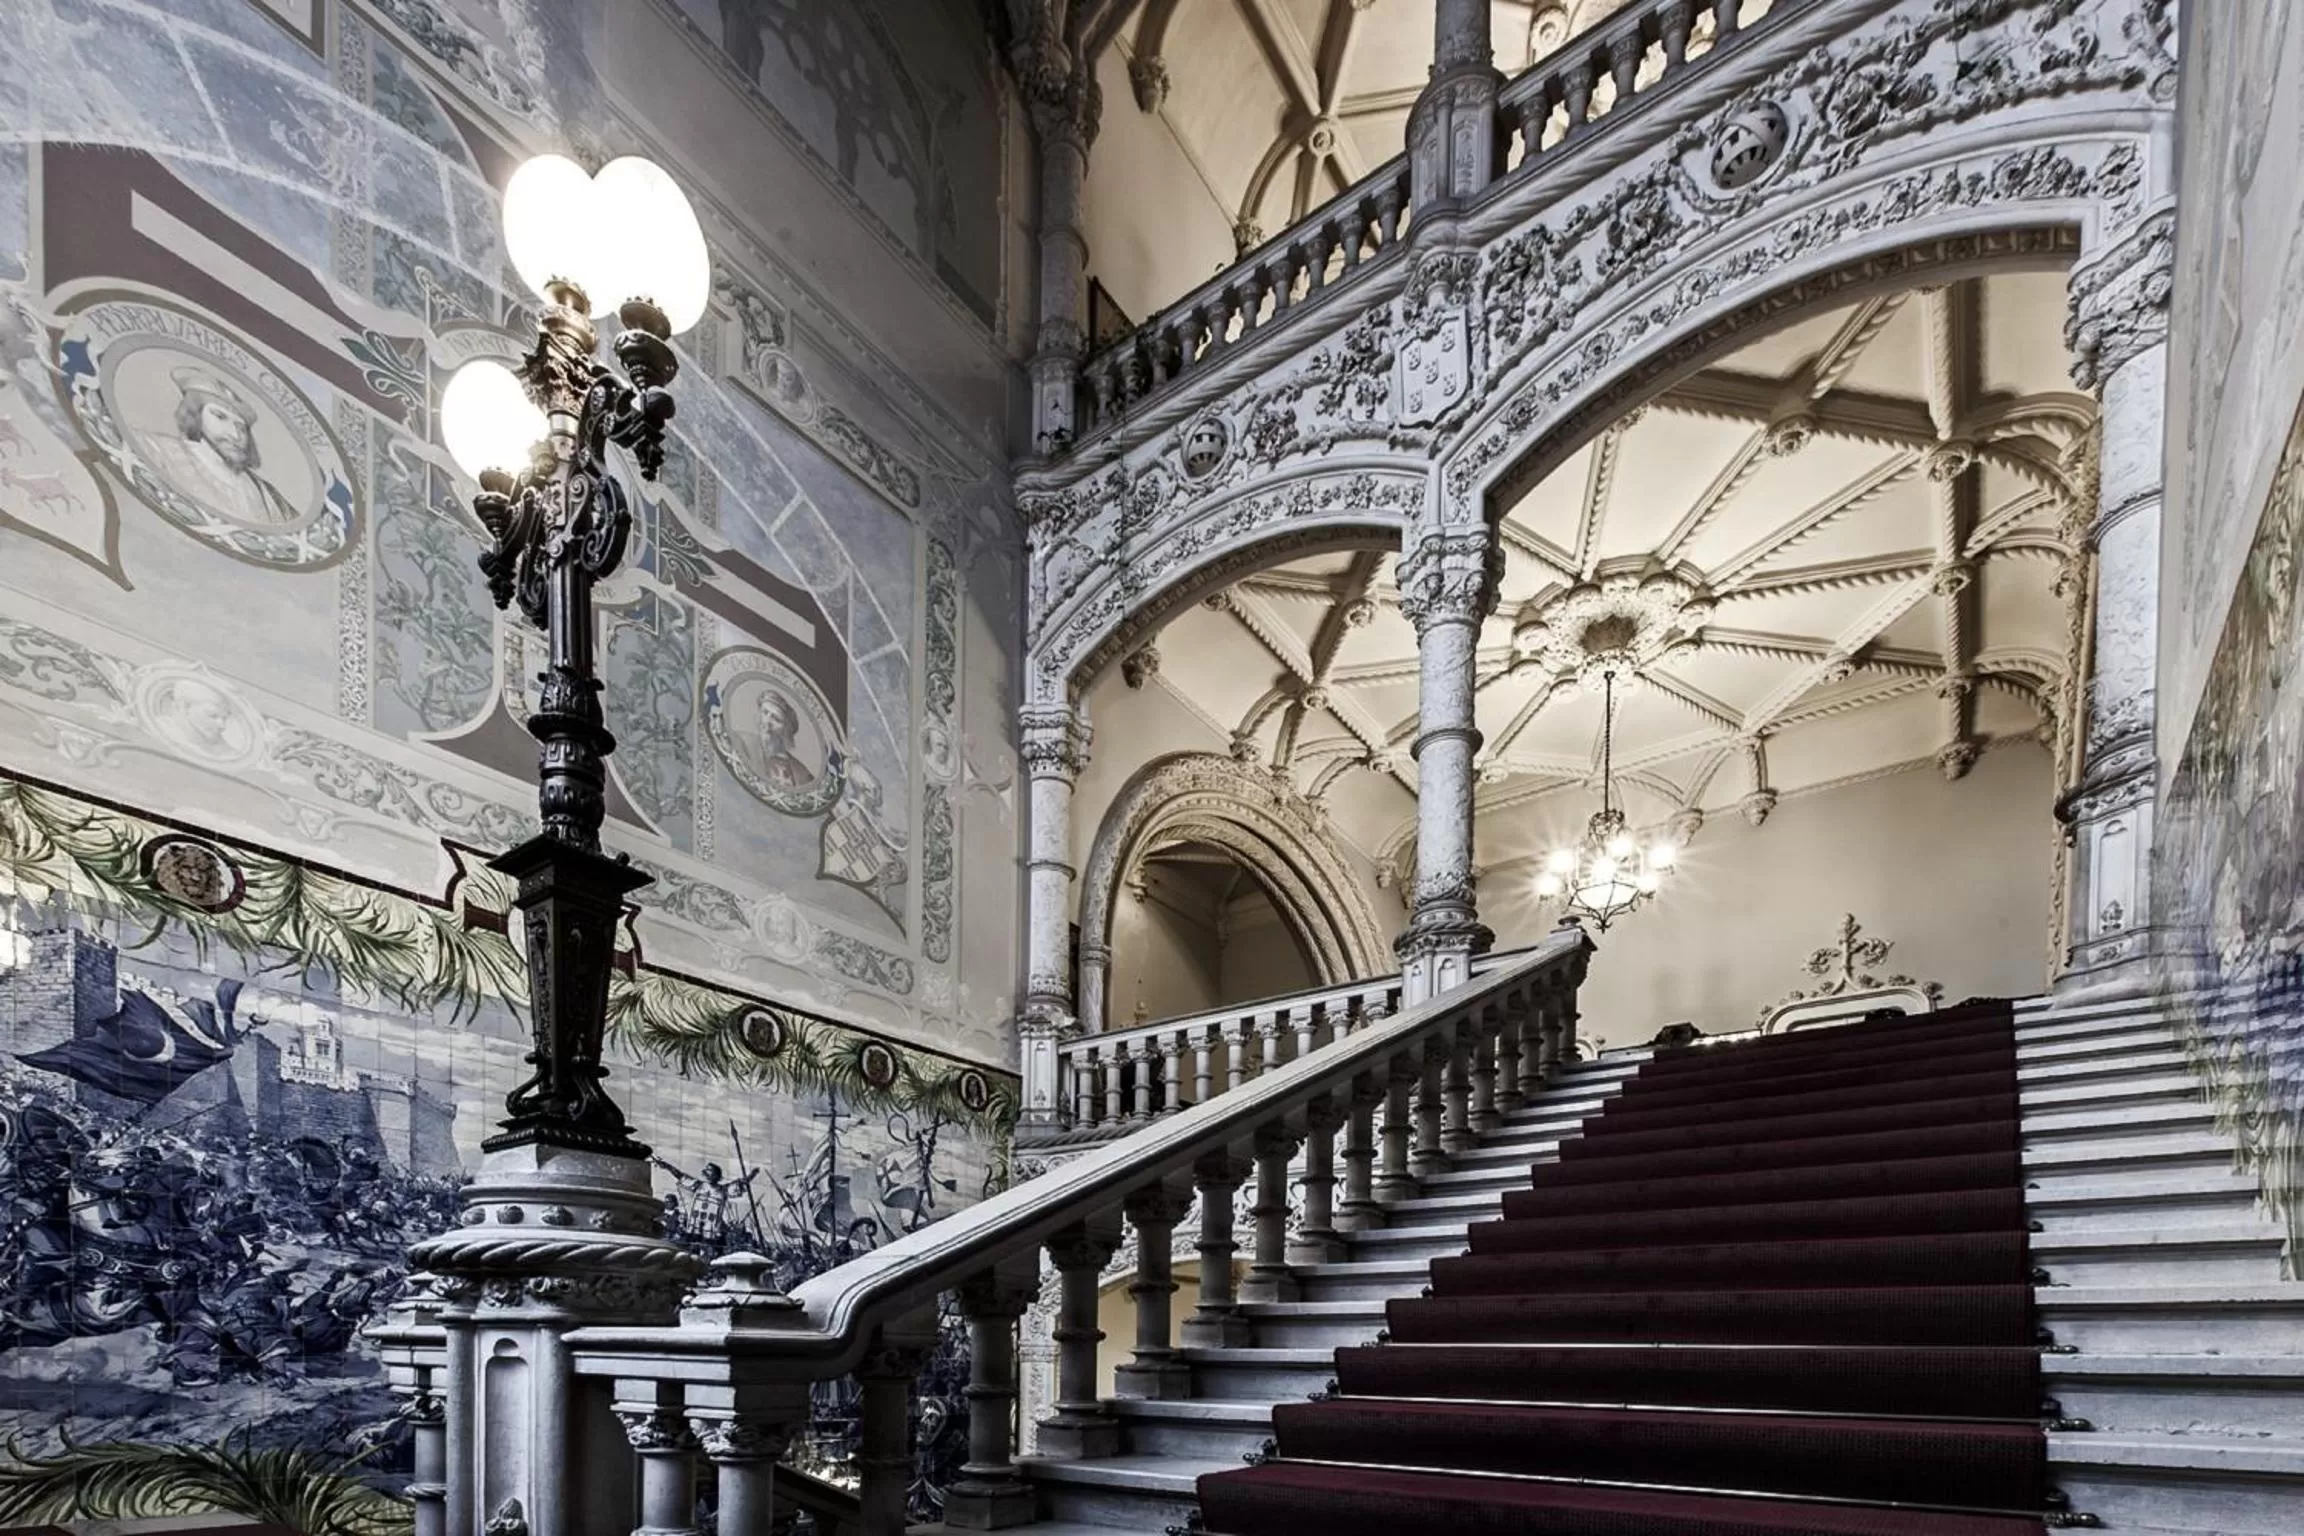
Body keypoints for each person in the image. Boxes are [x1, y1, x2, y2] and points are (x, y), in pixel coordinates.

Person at [132, 365, 301, 528]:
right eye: (220, 417)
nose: (235, 435)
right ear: (195, 414)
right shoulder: (156, 450)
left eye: (241, 427)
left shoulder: (270, 496)